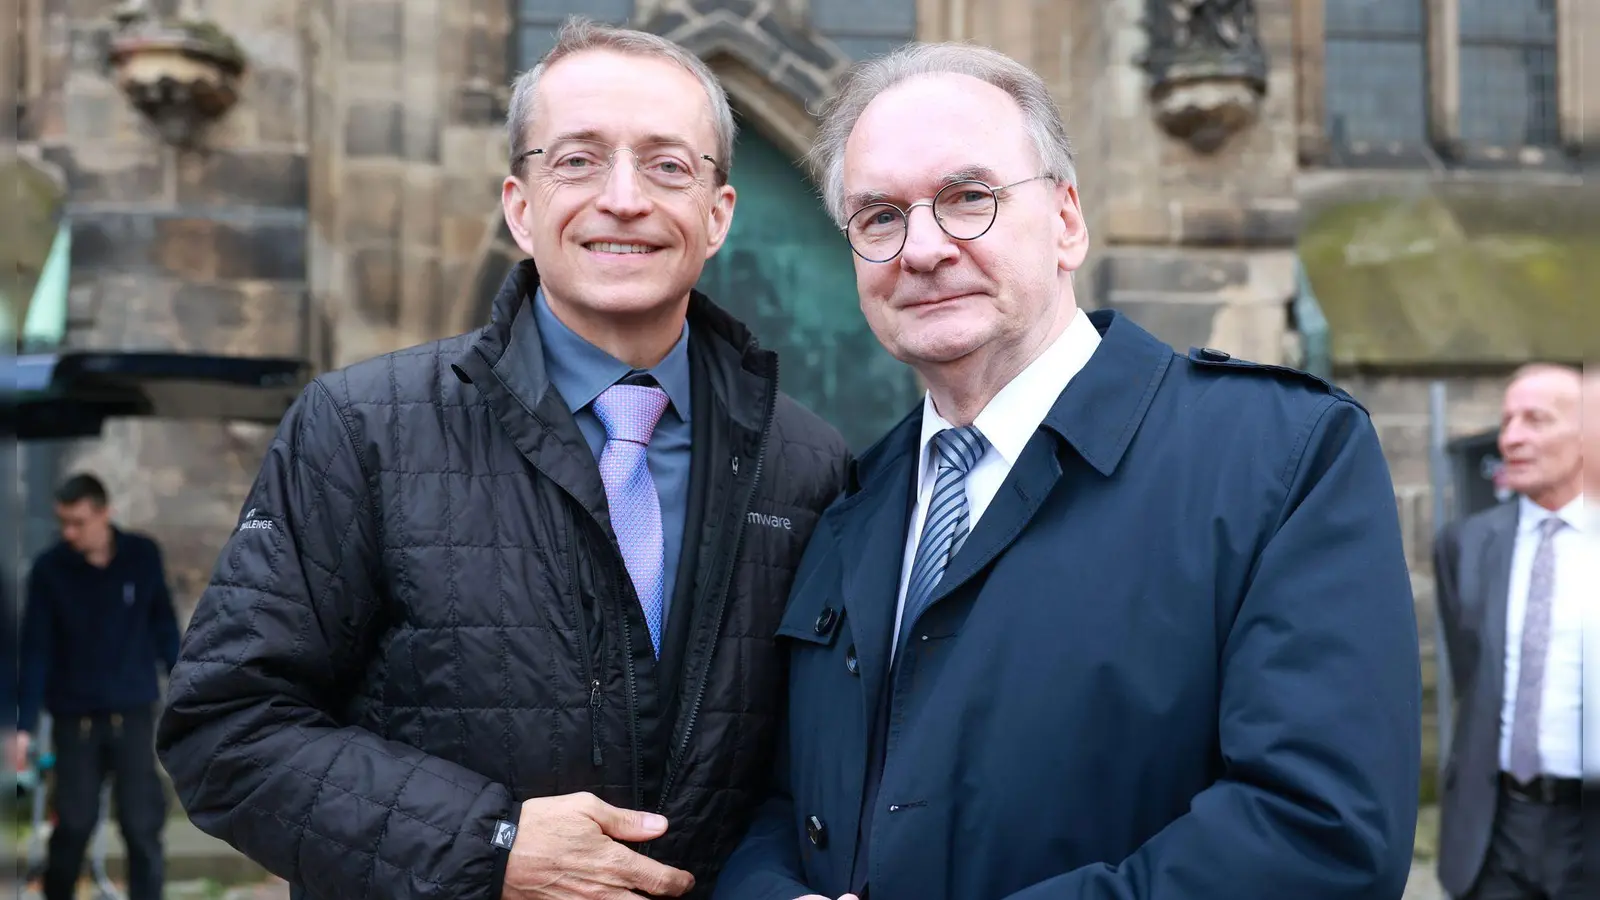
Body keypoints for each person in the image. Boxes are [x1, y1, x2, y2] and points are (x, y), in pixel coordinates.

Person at [155, 18, 849, 900]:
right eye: (578, 160)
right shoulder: (362, 428)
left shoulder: (808, 465)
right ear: (521, 207)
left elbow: (806, 771)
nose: (625, 198)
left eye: (669, 165)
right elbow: (224, 729)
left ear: (717, 217)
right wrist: (490, 842)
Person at [714, 41, 1421, 900]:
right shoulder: (850, 506)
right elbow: (786, 804)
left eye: (967, 198)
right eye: (879, 218)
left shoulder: (1280, 457)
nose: (923, 248)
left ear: (1067, 220)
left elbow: (1321, 837)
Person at [1432, 363, 1586, 900]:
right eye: (1507, 421)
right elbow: (1472, 677)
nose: (1512, 437)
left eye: (1536, 420)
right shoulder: (1465, 545)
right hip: (1496, 830)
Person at [14, 473, 180, 900]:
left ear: (104, 513)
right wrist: (24, 724)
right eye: (62, 523)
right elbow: (35, 649)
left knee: (142, 825)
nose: (69, 532)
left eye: (78, 522)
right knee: (72, 824)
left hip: (133, 711)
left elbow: (164, 626)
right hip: (76, 717)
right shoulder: (49, 570)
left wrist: (185, 684)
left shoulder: (141, 556)